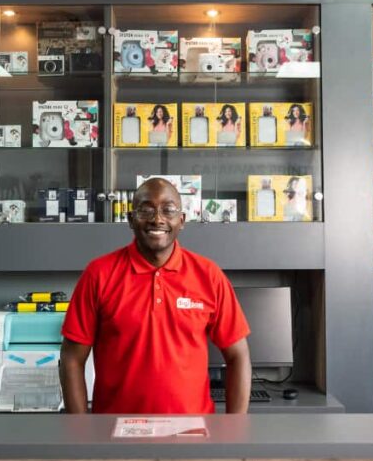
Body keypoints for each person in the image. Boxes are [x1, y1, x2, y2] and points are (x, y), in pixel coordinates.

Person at [60, 177, 252, 414]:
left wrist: (235, 428)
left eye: (168, 210)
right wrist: (80, 430)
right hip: (114, 430)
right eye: (146, 210)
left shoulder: (209, 275)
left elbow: (238, 355)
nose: (157, 219)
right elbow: (71, 358)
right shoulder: (99, 274)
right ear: (131, 219)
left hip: (193, 430)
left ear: (182, 220)